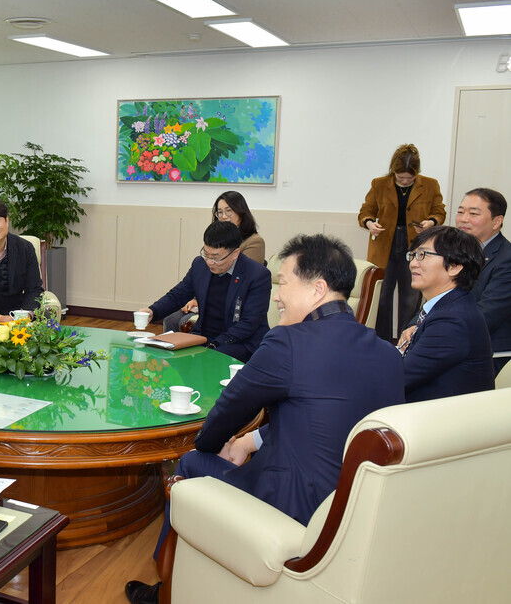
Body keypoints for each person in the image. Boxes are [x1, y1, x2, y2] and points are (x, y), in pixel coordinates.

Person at [125, 234, 404, 604]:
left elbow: (226, 411)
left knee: (192, 461)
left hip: (293, 504)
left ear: (317, 288)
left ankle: (167, 590)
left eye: (284, 283)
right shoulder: (386, 351)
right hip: (355, 508)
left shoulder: (287, 343)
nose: (277, 295)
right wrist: (251, 441)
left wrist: (210, 446)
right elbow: (327, 418)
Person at [139, 221, 270, 362]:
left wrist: (214, 344)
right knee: (168, 354)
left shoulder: (257, 275)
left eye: (216, 257)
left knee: (211, 359)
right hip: (204, 336)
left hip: (240, 342)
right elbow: (178, 295)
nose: (210, 262)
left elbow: (249, 323)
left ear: (235, 253)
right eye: (206, 254)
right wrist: (153, 310)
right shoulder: (199, 265)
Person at [358, 143, 446, 341]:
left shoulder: (430, 185)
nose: (405, 181)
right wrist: (370, 223)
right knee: (381, 295)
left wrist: (430, 222)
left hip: (415, 246)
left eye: (410, 178)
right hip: (383, 246)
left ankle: (407, 340)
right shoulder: (379, 184)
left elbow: (439, 212)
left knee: (410, 297)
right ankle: (380, 340)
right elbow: (365, 212)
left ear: (417, 173)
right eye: (400, 178)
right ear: (393, 172)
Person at [397, 226, 493, 402]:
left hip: (445, 421)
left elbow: (399, 378)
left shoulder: (452, 320)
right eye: (413, 255)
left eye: (423, 255)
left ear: (454, 267)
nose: (413, 263)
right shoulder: (448, 306)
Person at [163, 192, 266, 332]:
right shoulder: (209, 248)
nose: (224, 216)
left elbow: (242, 281)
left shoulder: (254, 242)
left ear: (241, 212)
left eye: (228, 211)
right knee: (171, 319)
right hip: (209, 299)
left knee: (182, 321)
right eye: (219, 212)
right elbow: (195, 282)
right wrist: (197, 297)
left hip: (231, 304)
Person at [455, 188, 511, 374]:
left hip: (487, 353)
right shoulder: (453, 251)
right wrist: (415, 325)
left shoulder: (506, 259)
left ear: (497, 221)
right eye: (461, 211)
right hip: (450, 340)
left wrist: (438, 331)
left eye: (473, 214)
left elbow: (486, 316)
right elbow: (431, 297)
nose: (463, 219)